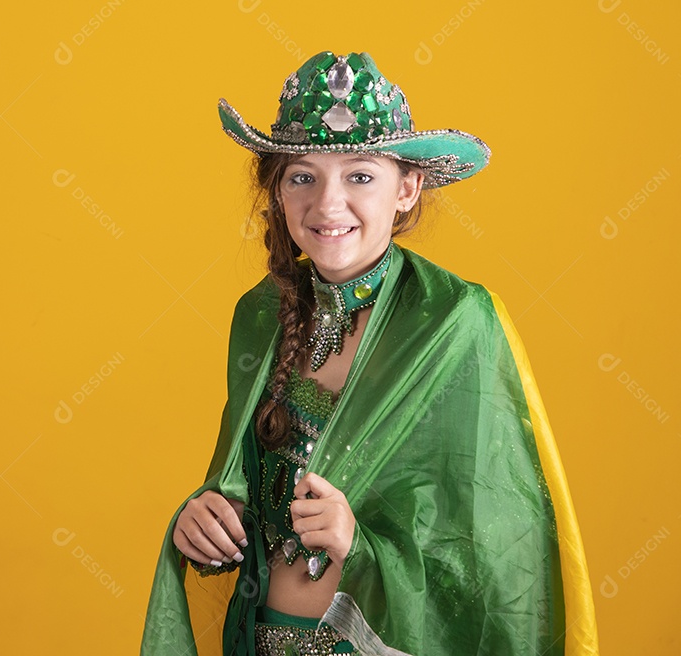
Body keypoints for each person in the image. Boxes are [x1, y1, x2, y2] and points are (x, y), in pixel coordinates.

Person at [141, 51, 599, 656]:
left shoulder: (455, 320)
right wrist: (204, 517)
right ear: (276, 190)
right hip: (258, 641)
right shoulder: (259, 316)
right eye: (302, 176)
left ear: (407, 188)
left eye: (360, 176)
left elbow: (497, 545)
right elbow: (242, 488)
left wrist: (359, 544)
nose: (328, 205)